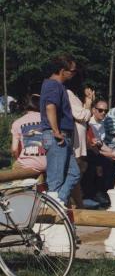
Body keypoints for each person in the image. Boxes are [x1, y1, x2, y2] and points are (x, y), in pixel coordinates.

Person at [40, 55, 80, 206]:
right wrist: (56, 131)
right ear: (63, 71)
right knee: (55, 180)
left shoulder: (57, 86)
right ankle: (51, 211)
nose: (74, 74)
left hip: (62, 135)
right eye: (72, 71)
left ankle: (58, 203)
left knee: (74, 173)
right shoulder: (53, 85)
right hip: (57, 135)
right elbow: (50, 107)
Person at [66, 75, 93, 209]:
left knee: (80, 167)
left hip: (79, 137)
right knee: (75, 170)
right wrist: (88, 103)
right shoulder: (69, 93)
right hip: (75, 137)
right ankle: (76, 202)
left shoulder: (72, 94)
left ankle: (76, 201)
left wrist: (87, 101)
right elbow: (82, 115)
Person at [84, 98, 115, 206]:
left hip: (95, 150)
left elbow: (100, 143)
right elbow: (92, 143)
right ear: (93, 110)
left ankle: (104, 192)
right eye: (100, 110)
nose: (104, 113)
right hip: (88, 151)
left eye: (106, 111)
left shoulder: (102, 123)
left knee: (110, 161)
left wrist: (112, 152)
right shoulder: (89, 123)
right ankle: (95, 193)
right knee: (103, 163)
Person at [10, 94, 46, 175]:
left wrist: (17, 158)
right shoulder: (49, 120)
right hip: (51, 162)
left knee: (15, 166)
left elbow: (14, 149)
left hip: (28, 164)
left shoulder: (17, 122)